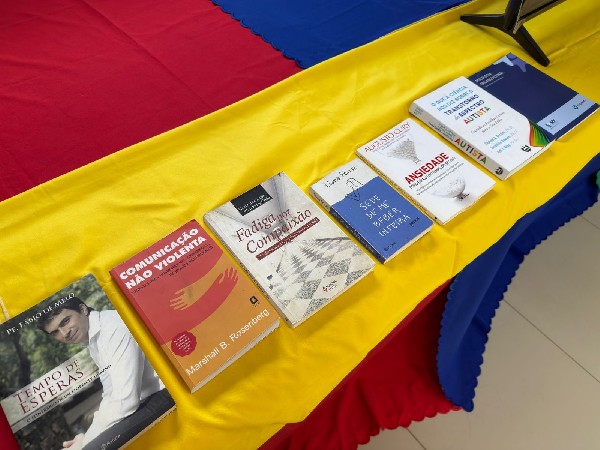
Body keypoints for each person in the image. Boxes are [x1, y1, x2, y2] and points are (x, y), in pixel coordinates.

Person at [38, 297, 174, 450]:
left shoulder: (112, 328)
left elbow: (126, 400)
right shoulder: (94, 339)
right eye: (55, 332)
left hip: (165, 394)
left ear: (83, 310)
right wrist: (88, 436)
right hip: (145, 401)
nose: (64, 333)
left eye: (65, 321)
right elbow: (110, 392)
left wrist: (86, 442)